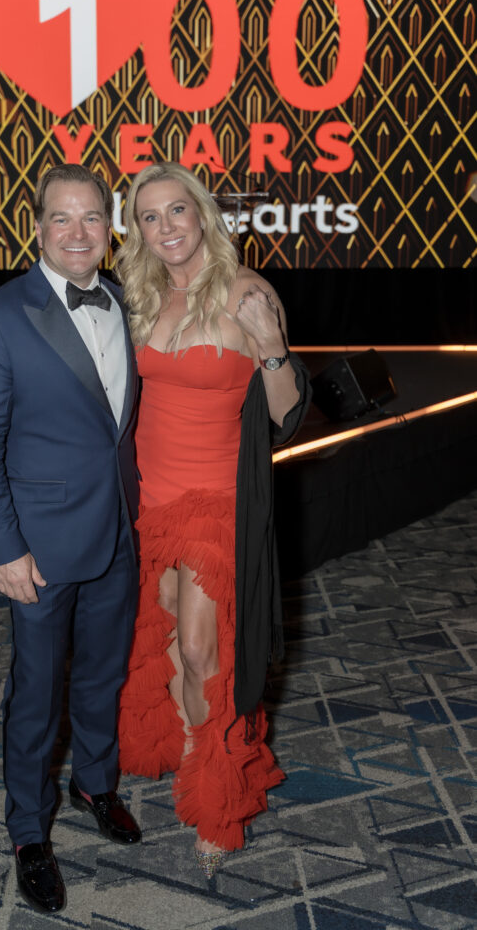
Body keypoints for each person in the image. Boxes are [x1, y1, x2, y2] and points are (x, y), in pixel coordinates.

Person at [0, 164, 142, 916]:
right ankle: (28, 833)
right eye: (61, 218)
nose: (77, 232)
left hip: (116, 534)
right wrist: (2, 548)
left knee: (101, 679)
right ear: (36, 227)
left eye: (91, 218)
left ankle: (94, 784)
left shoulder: (127, 303)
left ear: (108, 227)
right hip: (35, 546)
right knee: (37, 695)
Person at [114, 162, 310, 878]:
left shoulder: (247, 293)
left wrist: (270, 346)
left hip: (215, 502)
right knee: (163, 632)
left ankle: (218, 789)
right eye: (148, 216)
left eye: (176, 211)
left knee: (205, 651)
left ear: (201, 215)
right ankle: (194, 751)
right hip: (147, 500)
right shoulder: (139, 295)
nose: (165, 227)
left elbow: (287, 414)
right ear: (136, 230)